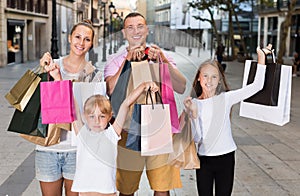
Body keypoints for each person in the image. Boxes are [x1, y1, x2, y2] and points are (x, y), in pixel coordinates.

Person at [104, 12, 186, 196]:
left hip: (160, 126)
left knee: (162, 186)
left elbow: (181, 86)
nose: (136, 31)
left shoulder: (160, 56)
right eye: (130, 27)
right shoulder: (115, 61)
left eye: (140, 26)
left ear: (147, 30)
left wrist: (163, 61)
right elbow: (110, 90)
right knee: (126, 188)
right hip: (126, 129)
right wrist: (127, 61)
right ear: (124, 33)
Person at [183, 44, 272, 196]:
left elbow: (257, 86)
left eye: (214, 76)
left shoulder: (226, 98)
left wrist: (261, 58)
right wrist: (194, 114)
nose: (209, 81)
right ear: (198, 78)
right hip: (204, 160)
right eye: (205, 76)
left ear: (219, 80)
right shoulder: (193, 104)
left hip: (226, 158)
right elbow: (197, 139)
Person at [38, 19, 101, 196]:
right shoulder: (51, 65)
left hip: (77, 150)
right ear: (69, 38)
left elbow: (91, 115)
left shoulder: (95, 75)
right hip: (47, 147)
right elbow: (38, 100)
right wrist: (42, 71)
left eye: (87, 39)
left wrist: (60, 81)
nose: (81, 43)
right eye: (78, 37)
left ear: (92, 43)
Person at [71, 82, 159, 196]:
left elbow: (126, 104)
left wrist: (142, 86)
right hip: (85, 192)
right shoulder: (83, 135)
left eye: (102, 116)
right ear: (85, 116)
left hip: (107, 192)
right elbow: (73, 108)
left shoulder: (112, 134)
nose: (96, 121)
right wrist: (59, 79)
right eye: (92, 116)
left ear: (109, 116)